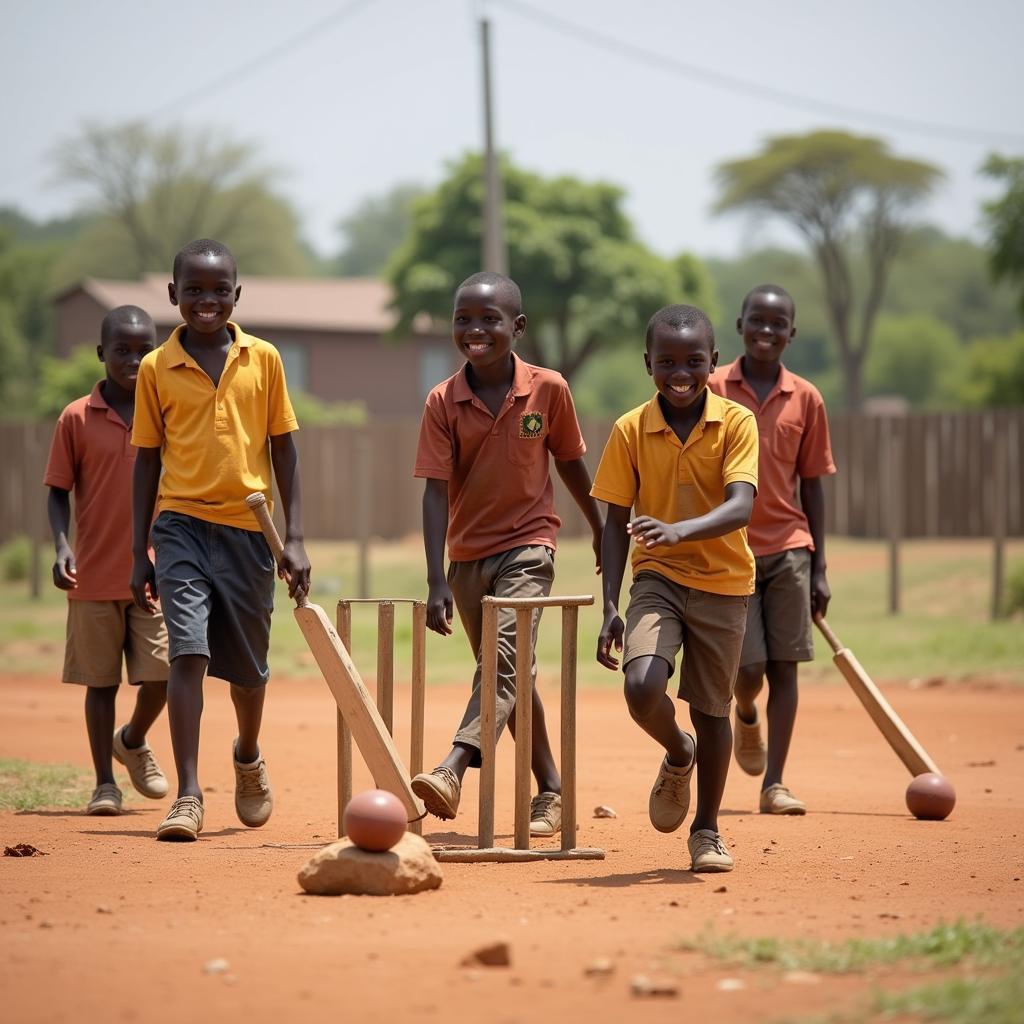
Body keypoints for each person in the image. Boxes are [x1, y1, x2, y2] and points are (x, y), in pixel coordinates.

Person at [410, 271, 603, 837]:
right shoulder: (443, 400)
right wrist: (436, 580)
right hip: (467, 557)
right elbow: (434, 489)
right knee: (509, 676)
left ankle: (454, 765)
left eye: (489, 319)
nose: (475, 329)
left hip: (529, 545)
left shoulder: (549, 390)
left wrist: (598, 524)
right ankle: (552, 787)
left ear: (516, 327)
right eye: (463, 319)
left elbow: (569, 461)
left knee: (503, 663)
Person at [130, 238, 310, 841]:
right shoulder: (156, 368)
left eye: (218, 289)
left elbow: (284, 448)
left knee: (250, 672)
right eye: (195, 289)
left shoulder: (264, 359)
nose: (207, 300)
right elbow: (146, 462)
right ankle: (186, 795)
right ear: (173, 293)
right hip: (179, 525)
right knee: (188, 652)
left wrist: (296, 537)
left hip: (250, 532)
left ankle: (248, 755)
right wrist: (140, 551)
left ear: (237, 294)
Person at [592, 304, 758, 872]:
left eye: (693, 361)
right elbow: (614, 523)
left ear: (713, 362)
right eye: (667, 361)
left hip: (723, 583)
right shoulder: (630, 429)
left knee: (713, 711)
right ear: (648, 364)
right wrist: (611, 604)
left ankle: (707, 830)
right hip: (656, 578)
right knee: (641, 687)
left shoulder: (736, 423)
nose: (680, 372)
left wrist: (677, 529)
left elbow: (740, 507)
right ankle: (677, 751)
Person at [708, 284, 835, 815]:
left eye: (777, 323)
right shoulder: (710, 385)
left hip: (789, 548)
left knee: (786, 667)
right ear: (739, 325)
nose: (766, 331)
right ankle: (745, 712)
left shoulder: (806, 398)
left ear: (791, 333)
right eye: (757, 321)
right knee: (749, 669)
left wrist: (820, 566)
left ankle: (774, 785)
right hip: (727, 550)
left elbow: (813, 485)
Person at [44, 305, 170, 816]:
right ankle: (104, 784)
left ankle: (133, 739)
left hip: (158, 572)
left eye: (145, 350)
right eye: (122, 350)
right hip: (94, 573)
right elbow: (57, 490)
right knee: (101, 684)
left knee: (164, 675)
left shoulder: (168, 413)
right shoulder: (76, 417)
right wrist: (60, 545)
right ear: (102, 354)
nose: (134, 359)